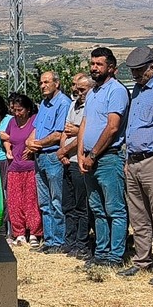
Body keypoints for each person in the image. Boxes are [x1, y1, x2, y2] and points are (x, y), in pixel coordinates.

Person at [118, 46, 153, 278]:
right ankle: (142, 260)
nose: (136, 75)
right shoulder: (137, 91)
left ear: (152, 67)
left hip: (152, 159)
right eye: (133, 71)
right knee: (138, 215)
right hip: (133, 160)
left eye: (140, 71)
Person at [79, 47, 131, 269]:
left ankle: (115, 255)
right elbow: (84, 124)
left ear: (111, 67)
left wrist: (92, 155)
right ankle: (101, 252)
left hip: (108, 158)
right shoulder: (92, 93)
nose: (94, 68)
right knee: (97, 208)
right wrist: (81, 153)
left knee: (115, 209)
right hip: (89, 159)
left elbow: (112, 127)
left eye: (99, 64)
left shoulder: (116, 91)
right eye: (92, 63)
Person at [26, 72, 72, 253]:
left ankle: (59, 241)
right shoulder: (44, 104)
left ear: (57, 83)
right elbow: (36, 129)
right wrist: (30, 142)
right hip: (40, 157)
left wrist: (35, 144)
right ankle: (50, 240)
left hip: (53, 156)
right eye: (40, 83)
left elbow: (58, 134)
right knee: (44, 202)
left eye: (46, 82)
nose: (42, 85)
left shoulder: (63, 103)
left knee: (56, 200)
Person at [59, 73, 95, 259]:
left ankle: (82, 243)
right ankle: (70, 240)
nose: (78, 92)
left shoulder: (91, 106)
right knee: (68, 204)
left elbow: (82, 133)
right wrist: (62, 151)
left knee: (82, 206)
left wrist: (67, 149)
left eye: (82, 89)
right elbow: (67, 130)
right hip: (67, 161)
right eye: (76, 88)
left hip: (79, 160)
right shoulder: (73, 105)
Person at [4, 93, 43, 247]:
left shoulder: (34, 120)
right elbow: (6, 137)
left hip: (30, 167)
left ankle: (34, 232)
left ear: (27, 110)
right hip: (14, 167)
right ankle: (19, 233)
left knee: (31, 201)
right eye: (15, 110)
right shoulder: (12, 122)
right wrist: (8, 149)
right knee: (14, 202)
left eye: (20, 110)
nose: (17, 113)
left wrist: (32, 148)